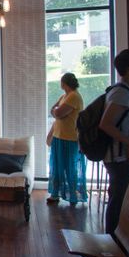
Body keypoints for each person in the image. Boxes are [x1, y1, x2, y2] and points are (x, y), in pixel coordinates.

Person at [99, 48, 129, 234]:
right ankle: (114, 244)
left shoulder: (127, 91)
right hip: (121, 159)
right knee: (119, 204)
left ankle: (124, 243)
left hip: (127, 158)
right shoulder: (122, 93)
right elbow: (106, 124)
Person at [46, 73, 87, 205]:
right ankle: (55, 194)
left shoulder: (74, 96)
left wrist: (56, 112)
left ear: (64, 83)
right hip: (58, 136)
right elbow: (53, 110)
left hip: (69, 138)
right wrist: (56, 112)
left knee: (70, 167)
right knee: (57, 166)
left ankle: (72, 195)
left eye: (61, 82)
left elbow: (57, 112)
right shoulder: (64, 96)